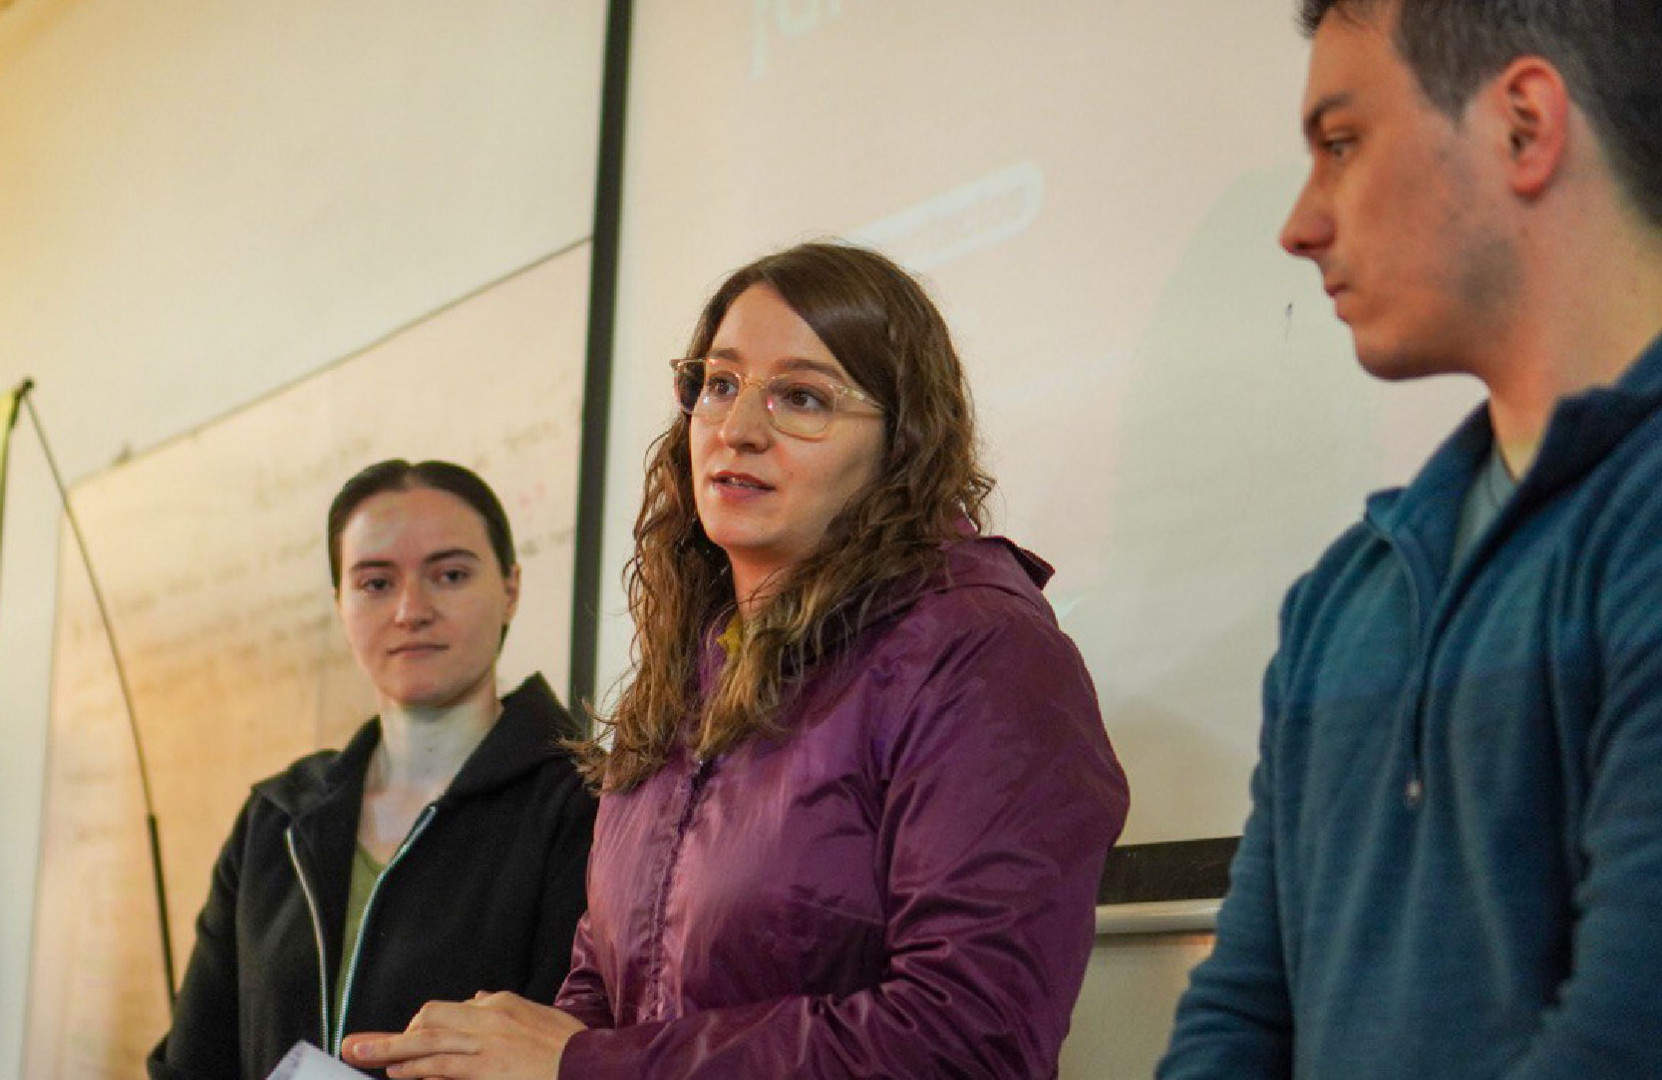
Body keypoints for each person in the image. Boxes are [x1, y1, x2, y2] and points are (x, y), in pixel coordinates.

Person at [345, 242, 1129, 1079]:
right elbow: (605, 986)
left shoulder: (983, 653)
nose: (737, 429)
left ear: (903, 443)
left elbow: (974, 1039)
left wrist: (588, 1067)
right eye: (718, 384)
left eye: (801, 397)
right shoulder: (692, 667)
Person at [1160, 1, 1662, 1077]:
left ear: (1526, 126)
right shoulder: (1348, 596)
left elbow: (1629, 1030)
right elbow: (1241, 1015)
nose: (1300, 224)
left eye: (1341, 144)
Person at [148, 459, 597, 1080]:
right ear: (340, 603)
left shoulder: (586, 805)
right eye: (375, 583)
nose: (411, 610)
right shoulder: (275, 819)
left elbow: (577, 1050)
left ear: (510, 589)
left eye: (450, 574)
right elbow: (195, 1062)